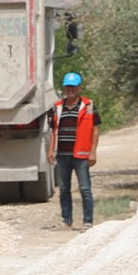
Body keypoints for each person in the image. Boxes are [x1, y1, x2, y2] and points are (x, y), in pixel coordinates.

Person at [54, 72, 98, 227]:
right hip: (62, 155)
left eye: (73, 87)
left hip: (80, 155)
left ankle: (88, 221)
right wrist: (50, 151)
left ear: (79, 88)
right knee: (64, 189)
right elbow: (53, 131)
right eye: (68, 86)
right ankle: (66, 220)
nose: (70, 89)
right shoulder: (58, 107)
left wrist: (93, 152)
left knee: (85, 189)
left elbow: (95, 130)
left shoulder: (89, 106)